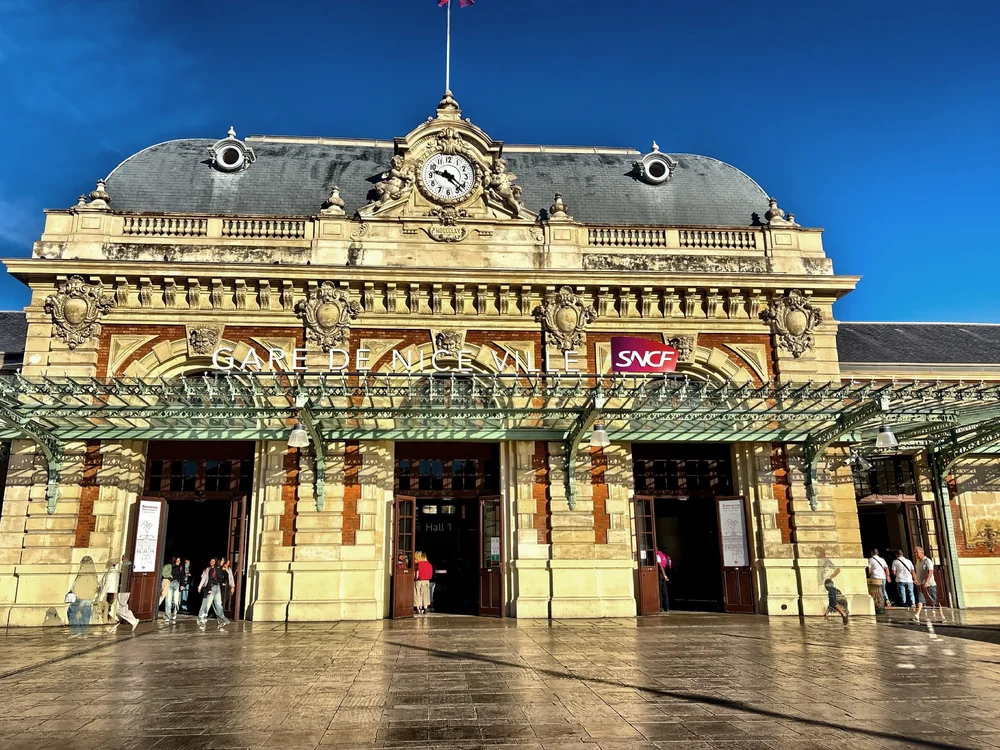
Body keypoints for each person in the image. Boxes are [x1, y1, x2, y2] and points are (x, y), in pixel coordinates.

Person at [197, 557, 230, 629]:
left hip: (217, 588)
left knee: (218, 604)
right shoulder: (210, 569)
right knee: (206, 604)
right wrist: (202, 587)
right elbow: (207, 579)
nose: (223, 562)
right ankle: (201, 621)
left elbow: (221, 579)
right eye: (222, 561)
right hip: (211, 587)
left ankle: (222, 619)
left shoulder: (219, 570)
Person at [914, 546, 942, 621]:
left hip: (930, 584)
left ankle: (942, 616)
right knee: (920, 599)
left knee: (934, 600)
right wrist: (915, 579)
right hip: (920, 584)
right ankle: (917, 615)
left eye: (917, 552)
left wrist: (927, 581)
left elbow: (930, 571)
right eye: (915, 552)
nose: (916, 554)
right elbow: (918, 571)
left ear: (921, 552)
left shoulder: (927, 561)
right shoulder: (918, 561)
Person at [112, 555, 139, 631]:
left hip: (123, 590)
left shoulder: (125, 567)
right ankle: (117, 621)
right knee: (121, 606)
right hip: (125, 589)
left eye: (122, 559)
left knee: (120, 607)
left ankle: (133, 621)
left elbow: (121, 579)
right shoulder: (130, 567)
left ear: (124, 559)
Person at [413, 551, 433, 615]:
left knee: (417, 594)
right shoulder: (429, 565)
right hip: (426, 581)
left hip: (418, 581)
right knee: (425, 594)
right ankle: (425, 608)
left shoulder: (418, 564)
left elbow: (416, 574)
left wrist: (414, 579)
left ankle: (418, 608)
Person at [165, 557, 184, 622]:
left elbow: (182, 576)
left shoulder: (181, 567)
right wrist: (169, 575)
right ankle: (168, 615)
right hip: (170, 583)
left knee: (176, 601)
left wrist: (182, 585)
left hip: (177, 583)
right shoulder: (170, 566)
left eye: (179, 560)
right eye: (177, 560)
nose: (178, 561)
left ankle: (175, 613)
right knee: (168, 600)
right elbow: (165, 572)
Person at [656, 547, 671, 612]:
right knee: (665, 591)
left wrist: (664, 575)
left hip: (660, 574)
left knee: (659, 591)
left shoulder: (657, 555)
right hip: (664, 573)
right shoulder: (663, 556)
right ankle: (666, 607)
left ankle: (661, 607)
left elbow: (660, 566)